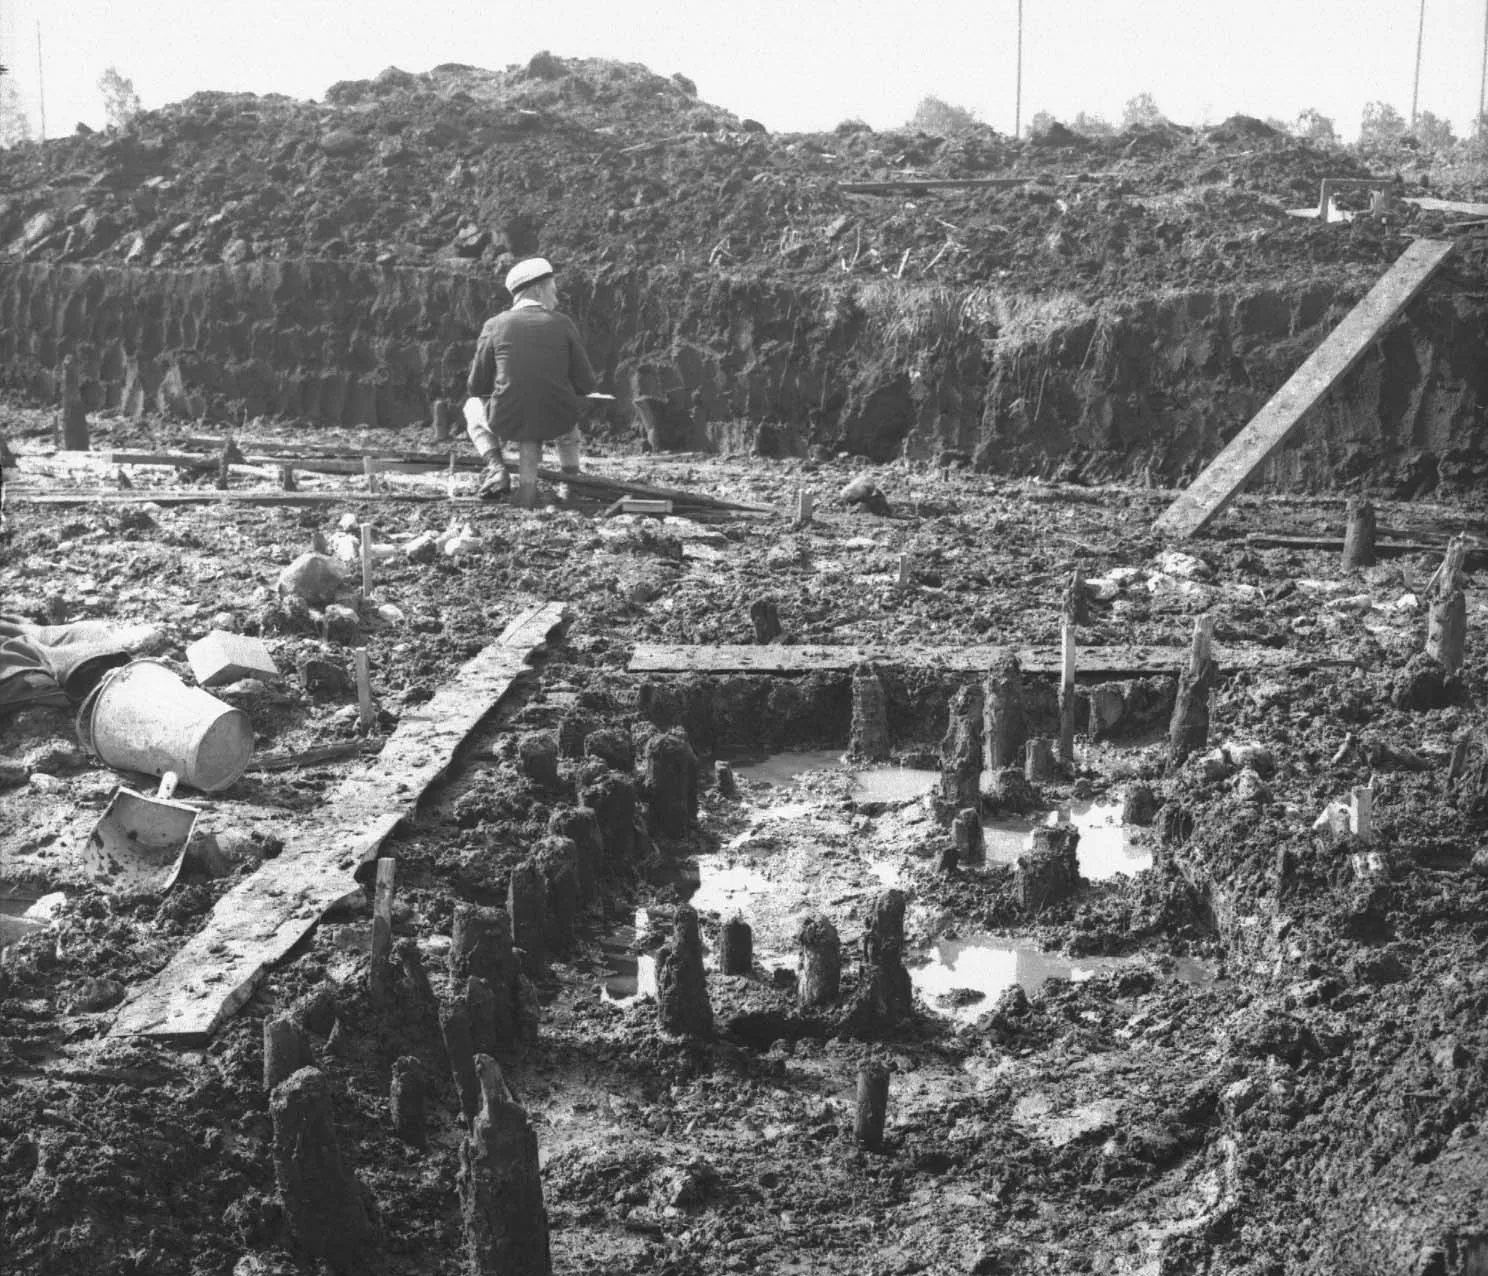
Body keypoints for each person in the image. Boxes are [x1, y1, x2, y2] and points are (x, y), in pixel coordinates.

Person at [465, 256, 599, 507]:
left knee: (471, 407)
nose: (556, 299)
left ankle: (497, 469)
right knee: (568, 415)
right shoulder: (563, 323)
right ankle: (569, 482)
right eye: (553, 291)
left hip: (508, 419)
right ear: (538, 290)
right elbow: (587, 384)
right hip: (556, 419)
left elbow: (476, 387)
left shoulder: (494, 325)